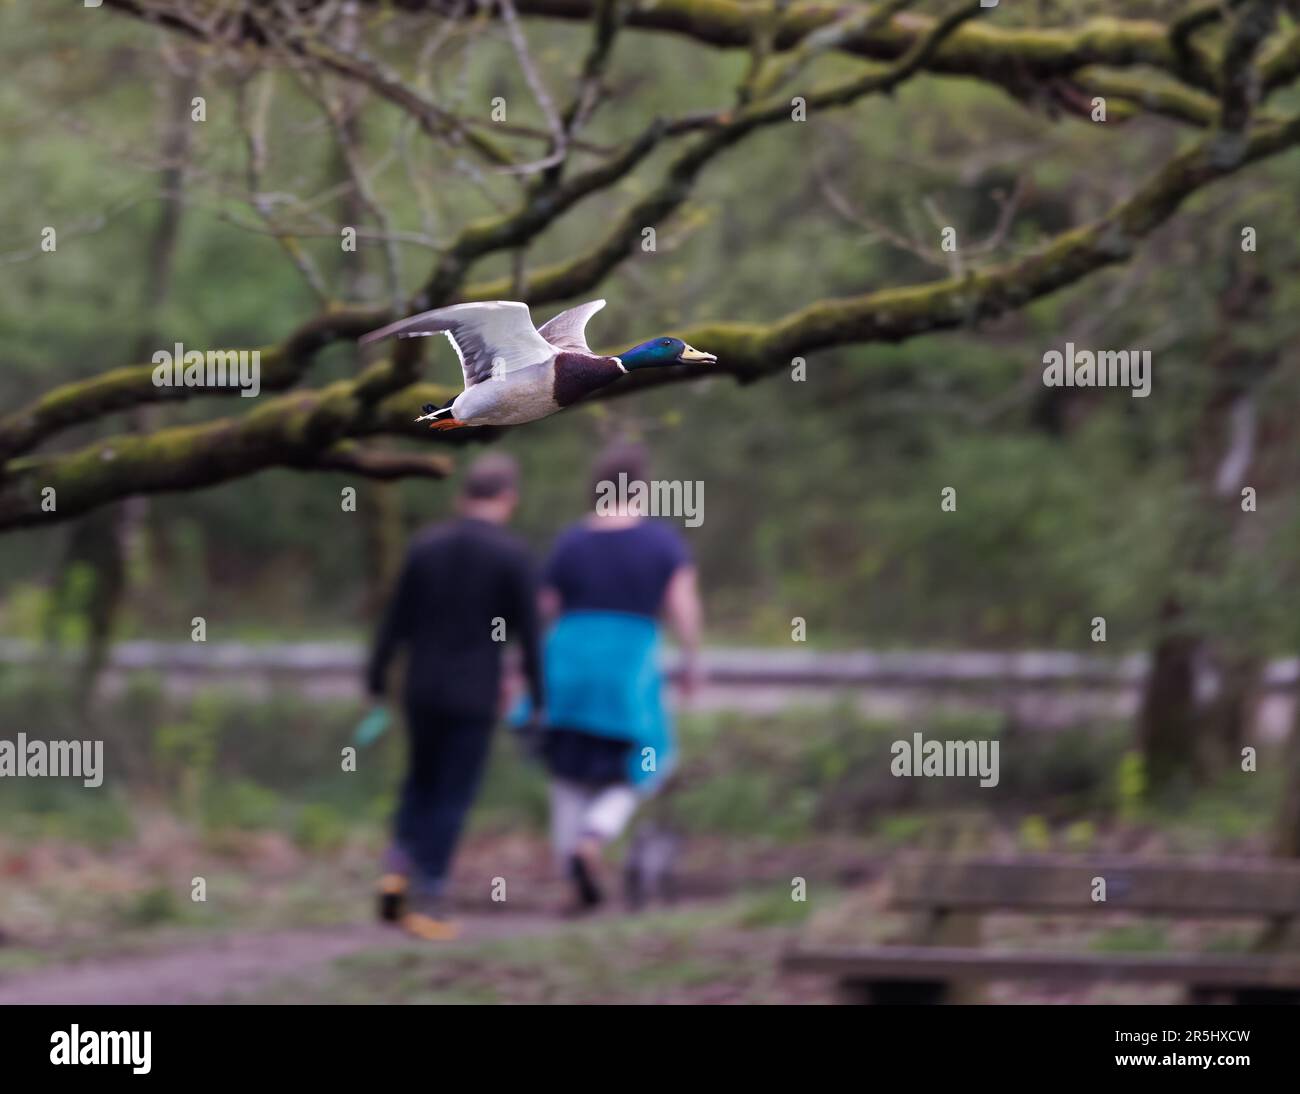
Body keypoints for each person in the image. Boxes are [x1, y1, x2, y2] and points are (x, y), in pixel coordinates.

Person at [365, 452, 542, 940]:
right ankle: (429, 895)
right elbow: (529, 635)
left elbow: (393, 622)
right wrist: (538, 698)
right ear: (508, 498)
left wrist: (377, 680)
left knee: (419, 782)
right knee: (452, 794)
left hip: (421, 688)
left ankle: (395, 871)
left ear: (463, 497)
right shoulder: (512, 555)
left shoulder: (425, 547)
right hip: (473, 694)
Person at [536, 442, 702, 911]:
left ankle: (572, 875)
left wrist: (522, 668)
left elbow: (542, 608)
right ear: (643, 487)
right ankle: (595, 835)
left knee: (567, 772)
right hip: (626, 673)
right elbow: (683, 609)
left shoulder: (571, 542)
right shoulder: (662, 544)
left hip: (566, 668)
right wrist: (691, 662)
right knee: (648, 761)